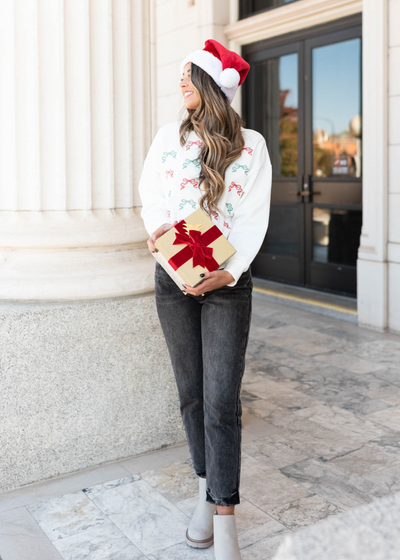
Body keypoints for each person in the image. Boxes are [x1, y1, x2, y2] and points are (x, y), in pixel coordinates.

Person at [138, 39, 272, 560]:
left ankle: (226, 517)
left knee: (221, 401)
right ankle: (202, 493)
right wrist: (158, 232)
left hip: (226, 285)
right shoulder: (168, 137)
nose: (181, 84)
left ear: (213, 85)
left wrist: (229, 273)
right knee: (191, 394)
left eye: (189, 75)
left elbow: (253, 216)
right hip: (172, 276)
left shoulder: (253, 145)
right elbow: (152, 194)